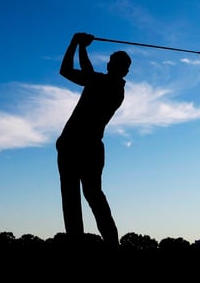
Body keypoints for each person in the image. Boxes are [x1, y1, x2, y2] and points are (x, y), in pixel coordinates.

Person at [55, 32, 131, 247]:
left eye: (114, 63)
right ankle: (87, 243)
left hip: (85, 147)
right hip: (75, 145)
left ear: (123, 70)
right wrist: (78, 45)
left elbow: (82, 72)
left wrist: (78, 44)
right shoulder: (101, 82)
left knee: (88, 196)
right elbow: (69, 71)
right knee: (77, 197)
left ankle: (111, 244)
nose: (110, 65)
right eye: (111, 62)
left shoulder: (112, 88)